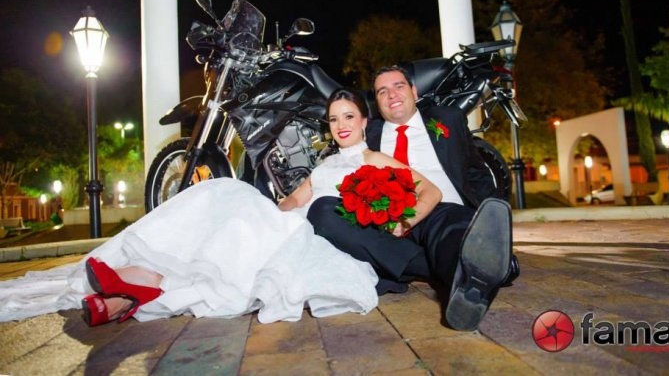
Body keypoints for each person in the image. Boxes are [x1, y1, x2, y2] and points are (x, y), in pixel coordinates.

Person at [0, 90, 405, 326]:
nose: (340, 125)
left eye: (348, 116)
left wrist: (396, 222)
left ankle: (140, 283)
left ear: (364, 121)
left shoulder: (378, 161)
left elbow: (421, 194)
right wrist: (270, 212)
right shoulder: (322, 166)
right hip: (290, 224)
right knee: (224, 195)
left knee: (230, 222)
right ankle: (131, 291)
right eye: (333, 119)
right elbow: (293, 201)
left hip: (320, 235)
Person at [305, 68, 519, 331]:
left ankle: (469, 285)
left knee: (450, 228)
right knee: (326, 211)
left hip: (442, 214)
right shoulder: (367, 132)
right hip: (388, 227)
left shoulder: (447, 119)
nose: (392, 95)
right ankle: (476, 267)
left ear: (414, 92)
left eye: (399, 86)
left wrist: (493, 224)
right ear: (376, 103)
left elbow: (475, 172)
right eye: (382, 91)